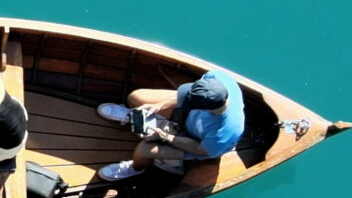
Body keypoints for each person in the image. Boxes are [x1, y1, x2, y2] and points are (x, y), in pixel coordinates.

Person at [93, 68, 244, 180]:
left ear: (203, 108)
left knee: (145, 149)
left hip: (196, 143)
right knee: (136, 98)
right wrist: (159, 106)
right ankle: (134, 116)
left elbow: (199, 150)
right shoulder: (217, 79)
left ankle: (136, 168)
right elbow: (186, 96)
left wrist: (167, 137)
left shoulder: (224, 133)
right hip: (188, 116)